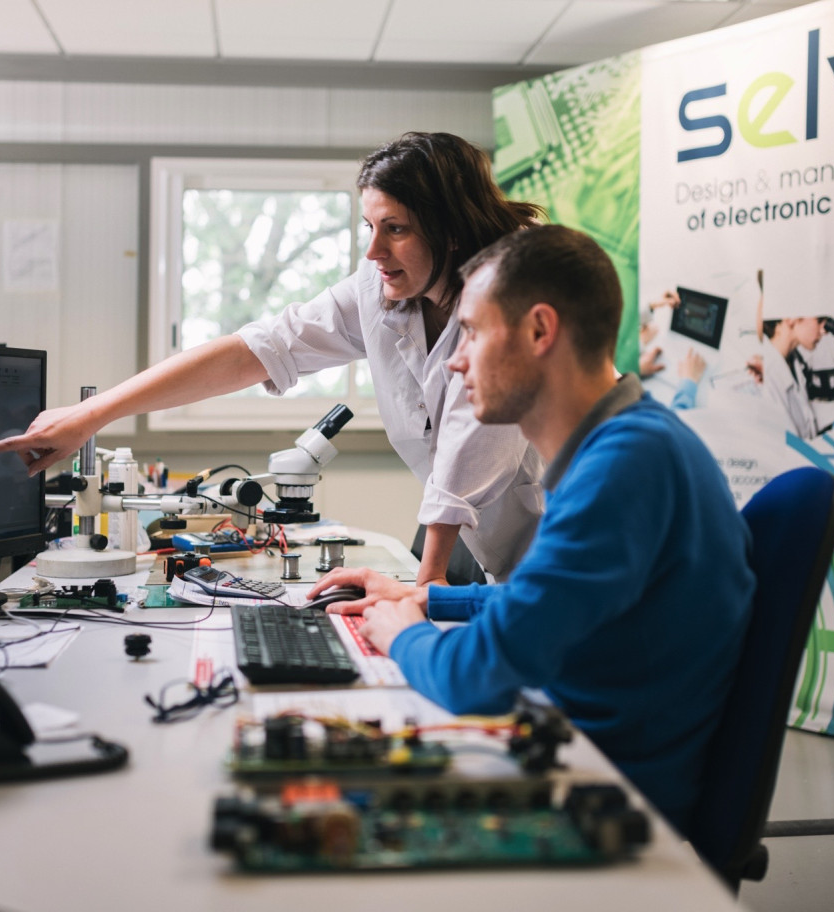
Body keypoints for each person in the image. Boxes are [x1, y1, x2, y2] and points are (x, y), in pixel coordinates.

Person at [309, 225, 755, 833]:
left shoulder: (623, 468)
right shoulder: (626, 444)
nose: (457, 361)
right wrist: (426, 596)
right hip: (582, 748)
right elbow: (546, 604)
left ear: (541, 331)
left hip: (599, 791)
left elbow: (476, 677)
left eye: (470, 332)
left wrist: (403, 631)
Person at [0, 133, 546, 584]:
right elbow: (256, 350)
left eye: (395, 230)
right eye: (369, 227)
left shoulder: (508, 300)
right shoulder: (381, 290)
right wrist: (94, 414)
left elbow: (470, 445)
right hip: (487, 550)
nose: (372, 251)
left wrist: (426, 586)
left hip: (554, 541)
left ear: (448, 233)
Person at [755, 316, 834, 454]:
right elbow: (781, 455)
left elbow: (802, 414)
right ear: (791, 318)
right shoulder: (764, 375)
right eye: (819, 320)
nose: (824, 330)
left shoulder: (793, 359)